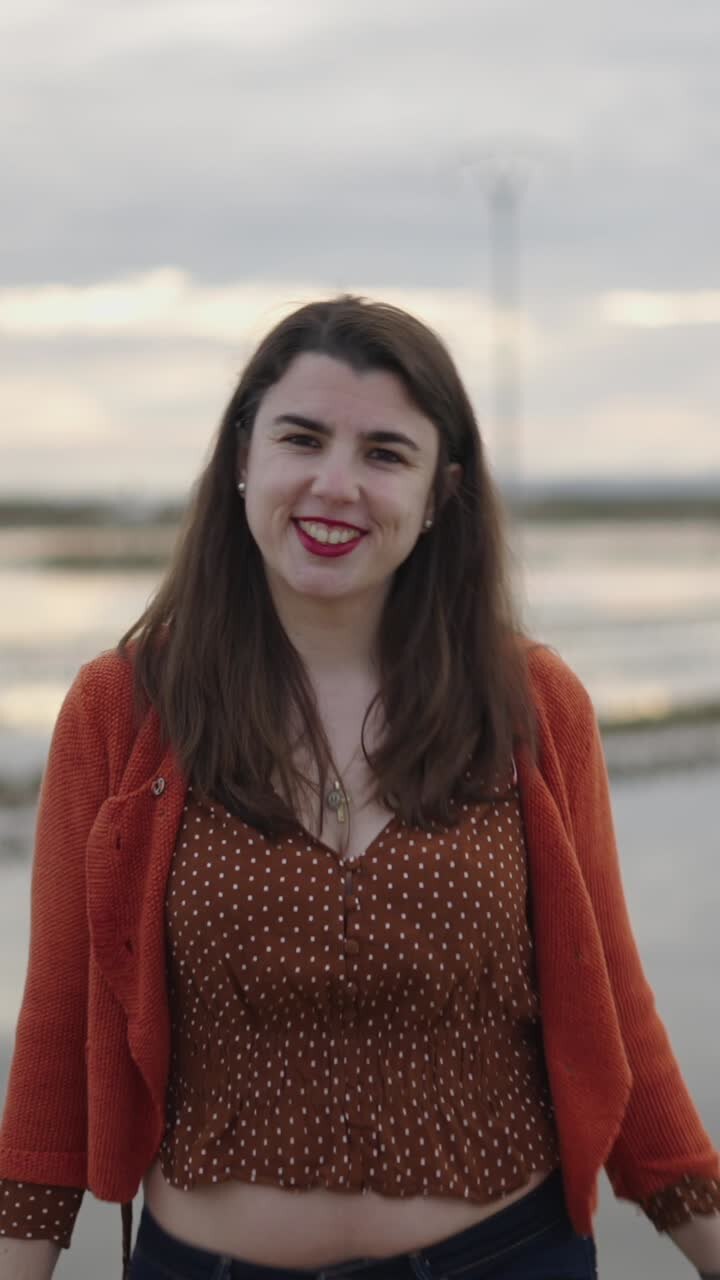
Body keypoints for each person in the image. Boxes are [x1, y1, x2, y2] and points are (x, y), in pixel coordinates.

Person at [0, 295, 718, 1280]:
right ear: (243, 454)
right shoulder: (121, 710)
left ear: (439, 492)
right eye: (303, 438)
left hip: (509, 1255)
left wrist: (700, 1223)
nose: (335, 485)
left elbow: (610, 1000)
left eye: (385, 452)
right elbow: (57, 1024)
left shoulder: (531, 704)